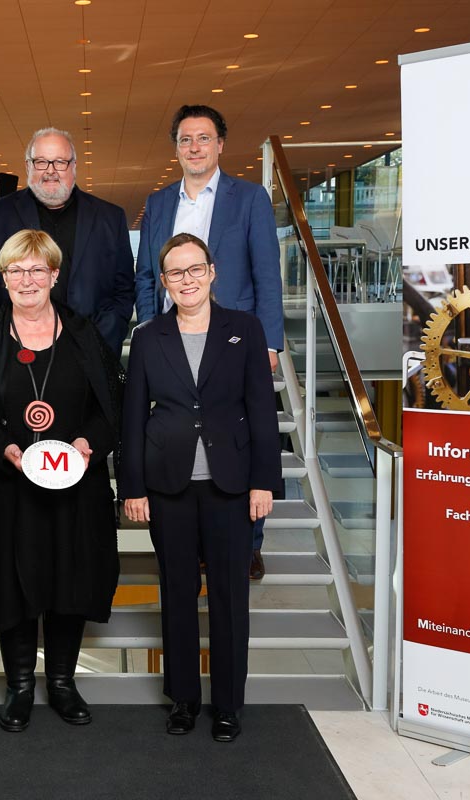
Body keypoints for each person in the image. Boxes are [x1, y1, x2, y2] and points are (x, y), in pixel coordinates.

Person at [0, 229, 122, 733]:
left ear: (54, 275)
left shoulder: (84, 335)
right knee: (14, 583)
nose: (27, 280)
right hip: (9, 489)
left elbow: (114, 403)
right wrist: (3, 448)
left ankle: (62, 682)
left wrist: (88, 443)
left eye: (37, 269)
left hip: (76, 489)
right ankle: (20, 686)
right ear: (3, 279)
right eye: (16, 270)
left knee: (71, 580)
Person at [120, 233, 281, 743]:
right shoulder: (148, 336)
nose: (186, 280)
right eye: (175, 273)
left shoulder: (245, 329)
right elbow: (132, 418)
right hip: (168, 486)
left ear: (211, 272)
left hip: (230, 485)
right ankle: (184, 699)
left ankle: (227, 704)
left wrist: (264, 481)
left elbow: (262, 409)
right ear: (163, 282)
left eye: (195, 269)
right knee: (177, 593)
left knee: (231, 597)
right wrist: (132, 487)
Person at [134, 105, 286, 579]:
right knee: (180, 434)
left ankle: (248, 542)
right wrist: (149, 330)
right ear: (176, 148)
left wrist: (270, 343)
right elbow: (146, 274)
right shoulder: (159, 202)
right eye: (185, 139)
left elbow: (267, 272)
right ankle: (191, 540)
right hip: (171, 338)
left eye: (203, 138)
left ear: (220, 145)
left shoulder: (250, 198)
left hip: (233, 339)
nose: (194, 147)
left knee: (238, 433)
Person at [0, 127, 135, 351]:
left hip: (93, 349)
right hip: (17, 350)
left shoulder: (110, 217)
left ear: (74, 166)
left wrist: (104, 338)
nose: (50, 171)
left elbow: (123, 288)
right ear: (28, 166)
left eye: (60, 162)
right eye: (41, 162)